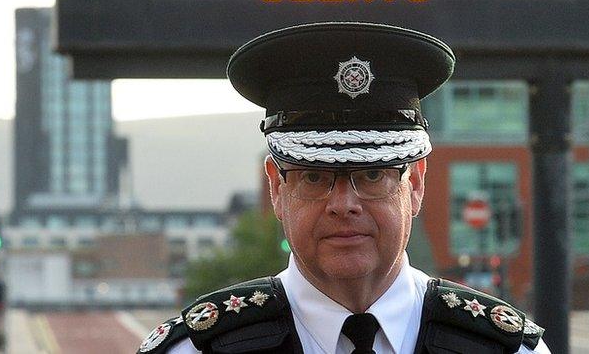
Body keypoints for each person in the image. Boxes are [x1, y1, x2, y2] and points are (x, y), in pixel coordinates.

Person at [137, 22, 550, 353]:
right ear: (277, 191)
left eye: (373, 175)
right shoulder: (198, 348)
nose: (343, 204)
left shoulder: (504, 348)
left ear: (417, 184)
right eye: (314, 177)